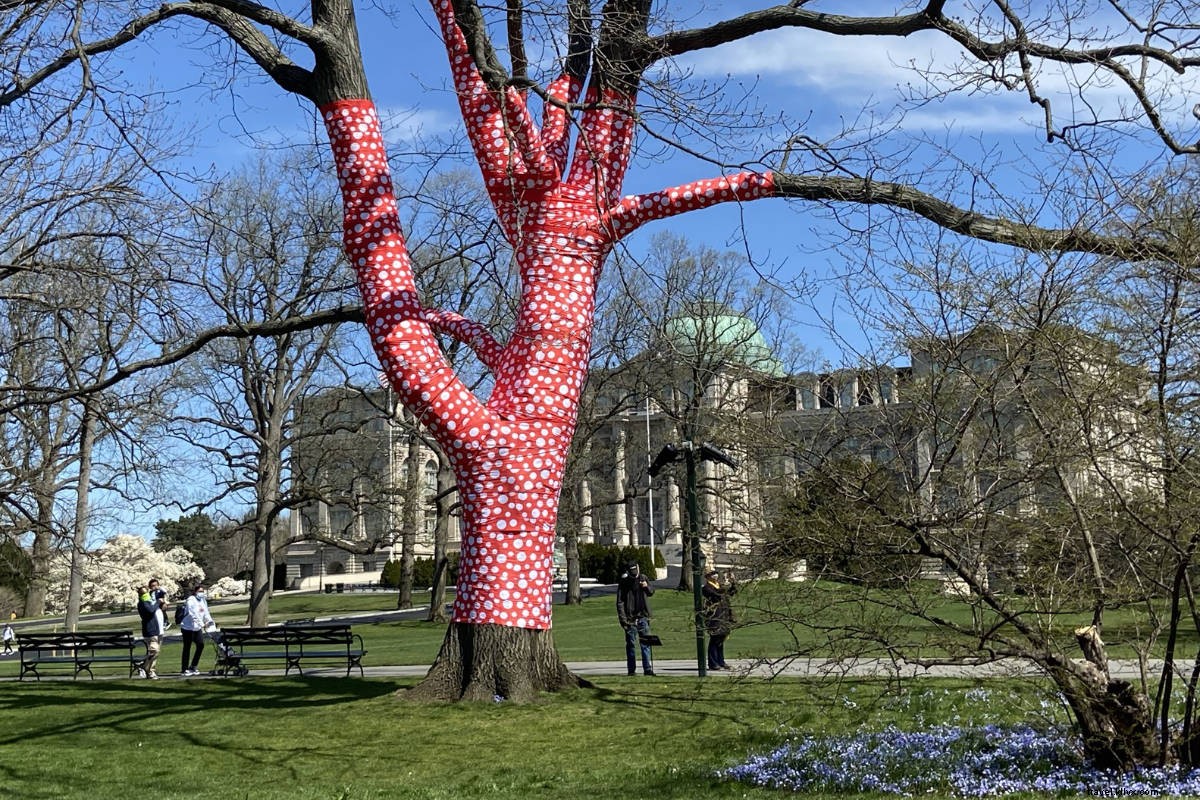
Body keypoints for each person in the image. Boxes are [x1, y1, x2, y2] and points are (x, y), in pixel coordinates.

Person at [616, 561, 655, 676]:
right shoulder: (624, 583)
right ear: (628, 572)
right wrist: (623, 619)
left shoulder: (643, 578)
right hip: (630, 618)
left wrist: (646, 587)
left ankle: (647, 669)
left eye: (636, 572)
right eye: (632, 573)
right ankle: (631, 670)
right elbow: (620, 602)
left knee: (645, 643)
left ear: (638, 568)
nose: (635, 575)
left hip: (643, 616)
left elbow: (651, 592)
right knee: (631, 644)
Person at [702, 569, 737, 670]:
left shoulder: (719, 586)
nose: (715, 576)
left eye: (716, 574)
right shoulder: (706, 588)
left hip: (724, 615)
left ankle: (721, 661)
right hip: (714, 617)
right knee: (715, 639)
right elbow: (717, 595)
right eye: (712, 574)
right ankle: (713, 663)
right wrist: (724, 589)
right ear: (708, 577)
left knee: (721, 640)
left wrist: (732, 583)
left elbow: (731, 592)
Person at [180, 583, 215, 676]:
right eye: (199, 591)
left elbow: (206, 612)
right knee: (187, 647)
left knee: (200, 645)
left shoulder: (203, 600)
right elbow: (193, 614)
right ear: (195, 592)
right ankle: (184, 669)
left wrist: (210, 622)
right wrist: (202, 624)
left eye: (202, 591)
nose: (201, 593)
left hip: (197, 628)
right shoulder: (191, 600)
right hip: (188, 627)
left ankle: (193, 666)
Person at [135, 583, 165, 678]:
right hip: (150, 630)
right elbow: (151, 610)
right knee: (154, 650)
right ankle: (143, 666)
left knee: (156, 651)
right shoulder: (143, 603)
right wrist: (157, 602)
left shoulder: (148, 601)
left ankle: (150, 671)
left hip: (157, 629)